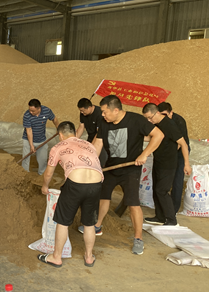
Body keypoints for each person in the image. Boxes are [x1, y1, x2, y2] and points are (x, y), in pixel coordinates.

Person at [88, 95, 164, 255]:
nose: (102, 115)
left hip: (131, 169)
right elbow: (98, 144)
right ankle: (97, 226)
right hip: (111, 166)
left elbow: (158, 135)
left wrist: (144, 154)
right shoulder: (104, 123)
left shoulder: (136, 120)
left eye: (105, 112)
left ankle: (138, 238)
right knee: (103, 197)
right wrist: (91, 164)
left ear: (116, 110)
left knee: (133, 203)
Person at [39, 121, 103, 268]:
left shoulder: (58, 147)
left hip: (75, 184)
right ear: (74, 132)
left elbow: (49, 173)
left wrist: (45, 186)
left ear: (60, 135)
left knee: (63, 222)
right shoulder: (88, 145)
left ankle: (56, 257)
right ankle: (89, 257)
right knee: (89, 224)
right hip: (96, 184)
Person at [142, 103, 191, 226]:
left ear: (157, 113)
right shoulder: (156, 124)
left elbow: (183, 144)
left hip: (168, 164)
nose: (149, 121)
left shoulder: (169, 125)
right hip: (158, 161)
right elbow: (151, 138)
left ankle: (171, 219)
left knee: (162, 190)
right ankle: (160, 217)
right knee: (156, 189)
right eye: (147, 118)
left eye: (150, 117)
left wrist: (186, 164)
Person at [157, 102, 190, 214]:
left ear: (171, 112)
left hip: (180, 151)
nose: (163, 117)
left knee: (177, 179)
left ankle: (174, 209)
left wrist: (186, 163)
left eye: (165, 115)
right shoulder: (159, 120)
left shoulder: (179, 121)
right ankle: (164, 207)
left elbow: (180, 143)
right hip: (167, 150)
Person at [22, 99, 60, 175]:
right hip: (28, 140)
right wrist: (31, 145)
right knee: (26, 158)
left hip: (42, 139)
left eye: (33, 111)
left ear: (39, 108)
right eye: (30, 110)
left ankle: (42, 173)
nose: (30, 112)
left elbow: (54, 119)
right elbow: (29, 130)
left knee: (43, 159)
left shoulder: (46, 111)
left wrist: (58, 128)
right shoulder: (27, 115)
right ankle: (24, 173)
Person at [76, 97, 108, 166]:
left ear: (89, 107)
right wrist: (74, 140)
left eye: (83, 110)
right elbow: (81, 127)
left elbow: (99, 133)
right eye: (80, 111)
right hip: (90, 137)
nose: (81, 112)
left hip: (100, 140)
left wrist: (91, 146)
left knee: (99, 159)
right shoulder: (83, 113)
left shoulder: (99, 114)